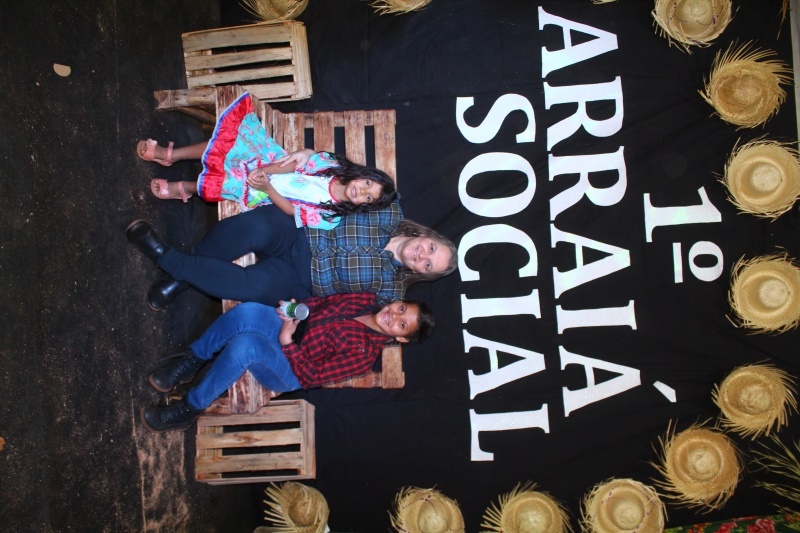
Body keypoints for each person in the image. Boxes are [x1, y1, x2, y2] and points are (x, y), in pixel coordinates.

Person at [140, 292, 435, 432]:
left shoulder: (364, 356)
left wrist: (287, 342)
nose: (394, 316)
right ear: (398, 301)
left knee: (245, 346)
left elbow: (311, 376)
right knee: (247, 311)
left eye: (401, 324)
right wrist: (294, 309)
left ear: (401, 338)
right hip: (292, 328)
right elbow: (321, 303)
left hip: (291, 368)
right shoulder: (365, 299)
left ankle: (190, 407)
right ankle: (193, 360)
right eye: (401, 308)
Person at [127, 197, 457, 311]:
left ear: (423, 273)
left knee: (251, 286)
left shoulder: (392, 292)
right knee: (257, 226)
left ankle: (167, 258)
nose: (422, 255)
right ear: (428, 235)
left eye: (428, 264)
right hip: (297, 230)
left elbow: (361, 318)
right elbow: (348, 185)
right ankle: (182, 277)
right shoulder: (389, 208)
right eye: (431, 248)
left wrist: (301, 312)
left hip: (299, 281)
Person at [137, 92, 397, 229]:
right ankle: (171, 155)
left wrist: (266, 186)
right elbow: (296, 163)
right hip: (272, 163)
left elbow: (292, 211)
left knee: (230, 184)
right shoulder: (334, 166)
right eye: (367, 184)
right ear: (363, 174)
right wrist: (266, 169)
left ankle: (186, 188)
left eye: (368, 197)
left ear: (364, 206)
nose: (361, 191)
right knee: (233, 146)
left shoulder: (332, 217)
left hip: (266, 195)